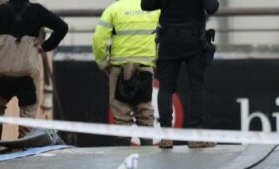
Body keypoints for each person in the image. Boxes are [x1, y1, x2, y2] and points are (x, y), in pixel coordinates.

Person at [0, 0, 67, 140]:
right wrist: (45, 46)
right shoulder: (37, 10)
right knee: (28, 114)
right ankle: (24, 147)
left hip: (5, 72)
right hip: (28, 72)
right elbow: (62, 27)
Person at [141, 0, 218, 149]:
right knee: (197, 87)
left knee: (166, 87)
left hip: (169, 40)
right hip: (194, 39)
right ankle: (195, 136)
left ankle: (166, 136)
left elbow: (146, 5)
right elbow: (212, 7)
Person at [92, 0, 160, 144]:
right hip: (145, 67)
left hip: (120, 69)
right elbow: (164, 35)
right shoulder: (154, 9)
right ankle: (148, 159)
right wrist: (155, 60)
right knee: (145, 114)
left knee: (121, 115)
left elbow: (98, 40)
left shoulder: (114, 10)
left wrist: (104, 64)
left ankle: (122, 159)